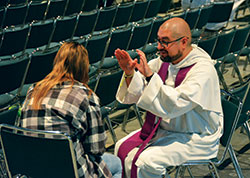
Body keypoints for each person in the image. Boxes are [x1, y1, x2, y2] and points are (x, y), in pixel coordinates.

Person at [114, 17, 223, 178]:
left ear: (184, 41)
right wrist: (130, 73)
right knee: (120, 146)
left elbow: (175, 104)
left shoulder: (202, 70)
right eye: (158, 40)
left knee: (146, 162)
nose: (159, 47)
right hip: (165, 129)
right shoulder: (164, 61)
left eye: (165, 42)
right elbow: (139, 91)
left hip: (195, 136)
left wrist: (151, 77)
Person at [20, 42, 122, 178]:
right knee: (116, 163)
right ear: (84, 67)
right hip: (69, 172)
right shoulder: (85, 95)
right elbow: (97, 148)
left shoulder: (33, 91)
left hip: (34, 170)